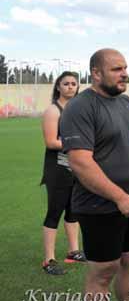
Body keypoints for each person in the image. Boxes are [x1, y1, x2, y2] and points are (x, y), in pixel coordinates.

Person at [61, 49, 129, 301]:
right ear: (96, 73)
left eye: (125, 67)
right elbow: (81, 162)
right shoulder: (80, 107)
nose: (124, 73)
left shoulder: (126, 103)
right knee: (104, 271)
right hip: (99, 206)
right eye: (117, 69)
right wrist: (119, 197)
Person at [40, 70, 86, 275]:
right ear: (58, 86)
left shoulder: (78, 109)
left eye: (73, 84)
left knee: (73, 211)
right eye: (65, 83)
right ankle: (48, 259)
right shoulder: (53, 110)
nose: (70, 87)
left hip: (77, 168)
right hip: (58, 169)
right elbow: (51, 142)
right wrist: (78, 144)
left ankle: (73, 251)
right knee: (54, 212)